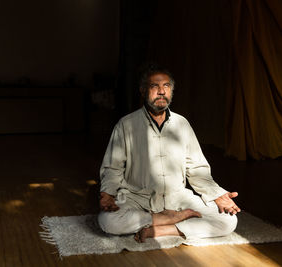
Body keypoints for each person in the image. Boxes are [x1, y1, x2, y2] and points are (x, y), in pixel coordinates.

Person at [98, 64, 241, 243]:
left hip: (177, 197)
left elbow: (197, 169)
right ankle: (171, 218)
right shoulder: (126, 125)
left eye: (166, 86)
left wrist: (217, 194)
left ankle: (160, 231)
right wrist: (108, 193)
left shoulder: (182, 124)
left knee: (228, 221)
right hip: (137, 197)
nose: (161, 91)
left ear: (171, 91)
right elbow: (113, 167)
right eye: (154, 86)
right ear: (143, 91)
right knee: (108, 222)